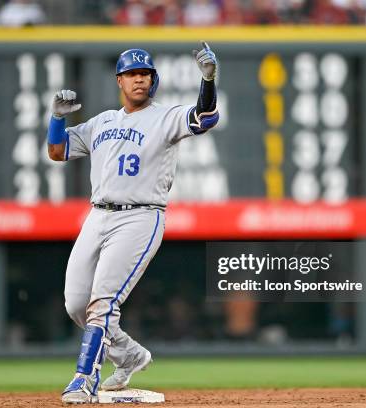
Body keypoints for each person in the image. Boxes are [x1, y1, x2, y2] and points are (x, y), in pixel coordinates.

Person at [47, 42, 220, 404]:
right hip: (97, 216)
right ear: (119, 81)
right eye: (132, 75)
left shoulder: (165, 116)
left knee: (103, 302)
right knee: (76, 304)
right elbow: (57, 151)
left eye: (145, 74)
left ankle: (84, 379)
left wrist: (208, 80)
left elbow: (204, 117)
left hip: (141, 216)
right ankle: (129, 356)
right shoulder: (102, 122)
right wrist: (57, 118)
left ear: (153, 81)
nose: (139, 80)